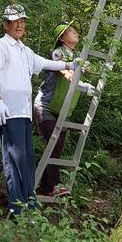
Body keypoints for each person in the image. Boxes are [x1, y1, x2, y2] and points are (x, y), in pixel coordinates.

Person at [0, 3, 80, 216]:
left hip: (24, 111)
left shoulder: (24, 50)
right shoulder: (1, 46)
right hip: (8, 111)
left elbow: (46, 63)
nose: (19, 25)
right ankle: (16, 209)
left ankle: (29, 203)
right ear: (6, 25)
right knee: (14, 159)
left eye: (22, 21)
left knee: (27, 159)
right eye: (15, 22)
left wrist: (69, 65)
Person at [34, 21, 96, 199]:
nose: (75, 33)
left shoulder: (76, 55)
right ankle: (50, 185)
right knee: (54, 143)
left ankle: (46, 186)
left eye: (75, 30)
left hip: (63, 110)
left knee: (56, 148)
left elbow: (88, 70)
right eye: (71, 31)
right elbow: (67, 74)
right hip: (46, 106)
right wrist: (82, 84)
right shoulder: (57, 53)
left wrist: (88, 70)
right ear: (62, 38)